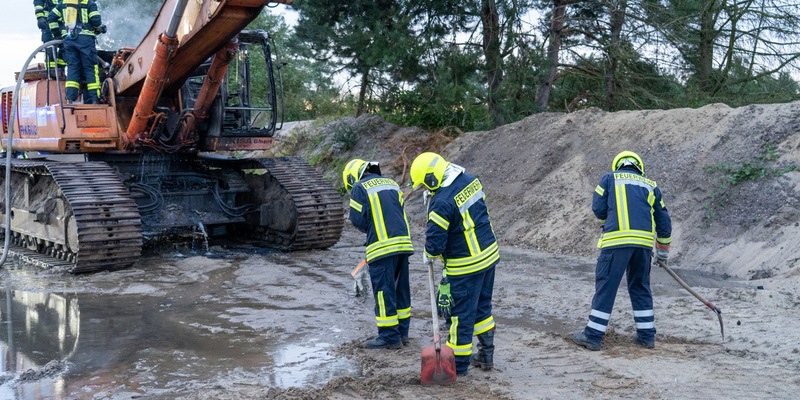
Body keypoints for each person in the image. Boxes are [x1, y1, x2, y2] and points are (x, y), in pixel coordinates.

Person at [409, 152, 499, 377]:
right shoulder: (470, 180)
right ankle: (486, 354)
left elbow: (436, 243)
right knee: (482, 308)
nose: (426, 190)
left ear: (431, 178)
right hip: (488, 257)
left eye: (425, 185)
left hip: (465, 265)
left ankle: (457, 366)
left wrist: (429, 253)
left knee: (460, 317)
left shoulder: (441, 202)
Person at [572, 150, 672, 351]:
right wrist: (662, 251)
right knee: (640, 286)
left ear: (618, 165)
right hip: (643, 247)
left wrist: (608, 220)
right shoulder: (651, 185)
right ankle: (646, 336)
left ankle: (592, 336)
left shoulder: (609, 178)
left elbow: (597, 207)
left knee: (607, 286)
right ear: (639, 167)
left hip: (616, 243)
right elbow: (664, 221)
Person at [343, 159, 414, 349]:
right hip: (403, 244)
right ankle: (403, 332)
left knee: (384, 292)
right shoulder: (391, 183)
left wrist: (373, 230)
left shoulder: (359, 187)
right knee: (401, 289)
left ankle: (390, 337)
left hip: (382, 248)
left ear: (352, 177)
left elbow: (357, 220)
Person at [48, 0, 106, 104]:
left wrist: (57, 33)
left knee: (72, 68)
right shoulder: (89, 3)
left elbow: (51, 17)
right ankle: (94, 99)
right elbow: (96, 21)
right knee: (90, 68)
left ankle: (70, 99)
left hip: (69, 41)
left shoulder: (63, 3)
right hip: (85, 41)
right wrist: (100, 28)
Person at [34, 0, 66, 73]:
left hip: (62, 23)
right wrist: (39, 17)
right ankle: (51, 72)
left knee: (65, 47)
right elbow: (38, 2)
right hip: (47, 23)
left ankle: (61, 70)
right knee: (50, 48)